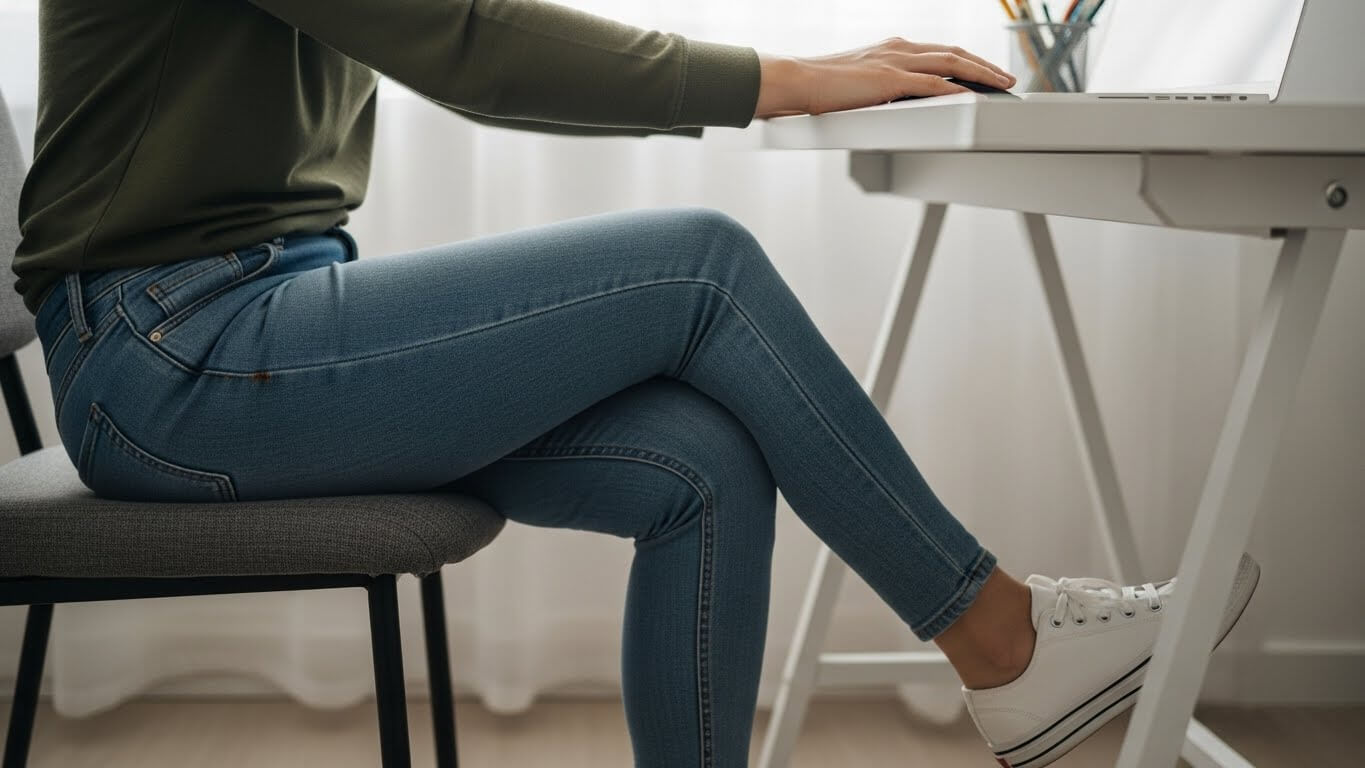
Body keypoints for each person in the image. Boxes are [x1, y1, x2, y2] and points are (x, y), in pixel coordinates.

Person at [12, 1, 1259, 765]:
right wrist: (784, 79)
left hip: (251, 319)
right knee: (700, 266)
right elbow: (468, 42)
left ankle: (999, 644)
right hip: (167, 356)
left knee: (698, 466)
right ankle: (998, 634)